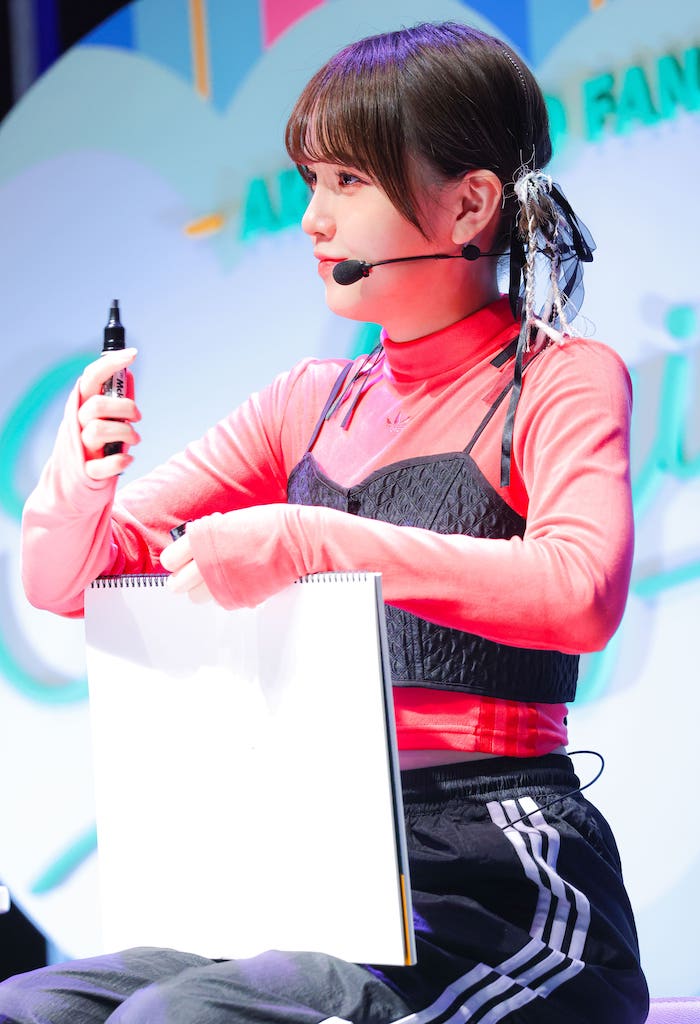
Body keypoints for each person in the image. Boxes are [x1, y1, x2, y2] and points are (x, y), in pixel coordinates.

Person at [2, 20, 648, 1024]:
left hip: (495, 869)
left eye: (347, 180)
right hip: (315, 864)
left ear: (469, 203)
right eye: (311, 181)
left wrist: (310, 542)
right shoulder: (306, 400)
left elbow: (579, 589)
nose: (312, 218)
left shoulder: (558, 378)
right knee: (34, 1007)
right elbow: (66, 584)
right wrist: (79, 483)